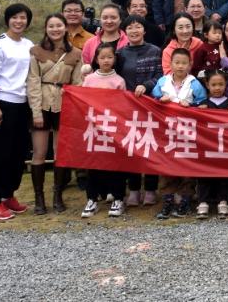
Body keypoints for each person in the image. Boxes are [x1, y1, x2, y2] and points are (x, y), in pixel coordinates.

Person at [26, 13, 83, 215]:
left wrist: (73, 99)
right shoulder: (36, 51)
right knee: (39, 152)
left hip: (64, 104)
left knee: (60, 153)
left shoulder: (75, 53)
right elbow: (32, 81)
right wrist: (36, 111)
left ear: (65, 28)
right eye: (51, 26)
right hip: (42, 103)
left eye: (59, 25)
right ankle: (39, 198)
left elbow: (78, 83)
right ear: (46, 28)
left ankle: (57, 194)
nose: (55, 29)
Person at [0, 3, 34, 221]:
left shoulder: (29, 44)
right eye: (14, 17)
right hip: (3, 103)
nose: (19, 21)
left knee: (18, 153)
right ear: (7, 20)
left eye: (23, 18)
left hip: (23, 105)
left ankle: (8, 195)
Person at [115, 13, 163, 208]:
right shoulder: (120, 53)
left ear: (144, 30)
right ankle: (134, 189)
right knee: (131, 148)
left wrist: (147, 85)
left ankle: (151, 188)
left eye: (138, 27)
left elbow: (160, 75)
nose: (134, 31)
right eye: (130, 27)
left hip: (150, 105)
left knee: (150, 147)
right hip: (128, 108)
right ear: (124, 32)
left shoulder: (155, 50)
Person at [152, 47, 206, 219]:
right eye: (177, 62)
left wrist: (191, 106)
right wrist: (160, 99)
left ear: (190, 64)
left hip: (187, 132)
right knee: (166, 165)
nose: (180, 66)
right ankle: (167, 200)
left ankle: (185, 201)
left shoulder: (194, 83)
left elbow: (203, 104)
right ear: (170, 63)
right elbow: (152, 99)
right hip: (166, 131)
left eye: (184, 63)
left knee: (186, 166)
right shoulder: (163, 81)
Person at [79, 44, 127, 218]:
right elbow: (82, 100)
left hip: (113, 127)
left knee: (115, 164)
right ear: (96, 59)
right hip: (94, 127)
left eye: (109, 57)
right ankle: (92, 198)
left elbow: (123, 106)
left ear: (115, 59)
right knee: (93, 163)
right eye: (102, 57)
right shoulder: (90, 79)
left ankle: (118, 198)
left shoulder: (119, 80)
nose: (106, 60)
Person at [195, 70, 228, 219]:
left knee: (224, 175)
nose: (217, 88)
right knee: (204, 174)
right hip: (207, 146)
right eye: (213, 85)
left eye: (220, 84)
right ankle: (203, 201)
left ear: (226, 85)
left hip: (224, 147)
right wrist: (198, 112)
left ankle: (223, 201)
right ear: (207, 85)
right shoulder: (203, 104)